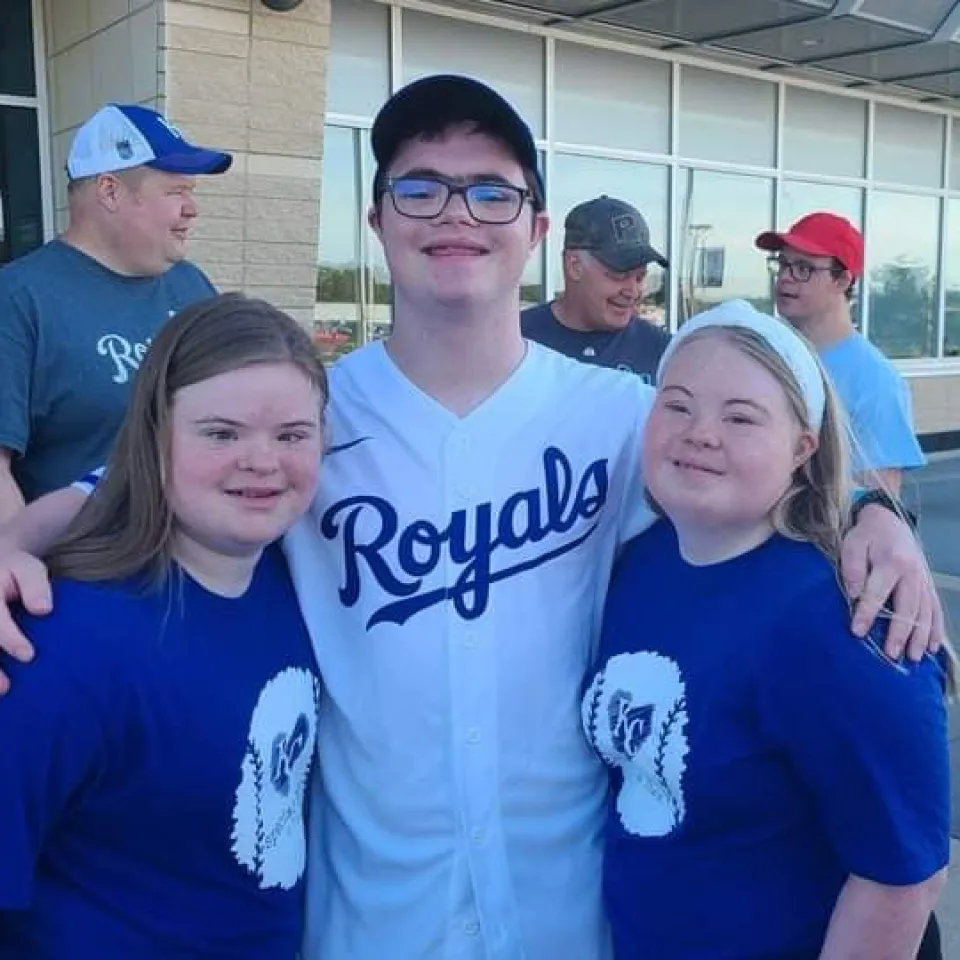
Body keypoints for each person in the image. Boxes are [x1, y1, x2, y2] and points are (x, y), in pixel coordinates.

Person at [0, 76, 943, 960]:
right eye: (421, 189)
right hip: (367, 916)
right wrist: (16, 540)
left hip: (570, 915)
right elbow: (129, 479)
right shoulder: (303, 420)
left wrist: (869, 513)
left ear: (535, 229)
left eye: (489, 192)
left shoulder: (621, 415)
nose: (455, 213)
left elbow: (753, 450)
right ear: (376, 220)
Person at [583, 299, 950, 959]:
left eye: (741, 417)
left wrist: (876, 512)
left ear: (802, 448)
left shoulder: (845, 620)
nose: (700, 433)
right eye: (678, 405)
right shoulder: (642, 561)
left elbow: (902, 879)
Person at [0, 293, 326, 958]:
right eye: (221, 433)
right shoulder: (64, 644)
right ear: (154, 437)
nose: (262, 461)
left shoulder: (297, 585)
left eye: (292, 435)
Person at [0, 102, 231, 520]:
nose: (191, 209)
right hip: (82, 570)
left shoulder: (191, 285)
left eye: (191, 193)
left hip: (198, 558)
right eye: (176, 192)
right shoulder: (18, 298)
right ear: (110, 191)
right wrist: (18, 559)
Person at [756, 212, 925, 493]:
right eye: (782, 264)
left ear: (842, 281)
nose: (786, 278)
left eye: (803, 268)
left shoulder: (876, 381)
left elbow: (879, 502)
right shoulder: (768, 353)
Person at [521, 196, 670, 382]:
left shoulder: (665, 352)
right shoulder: (516, 342)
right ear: (574, 266)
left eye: (640, 277)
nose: (632, 291)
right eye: (619, 275)